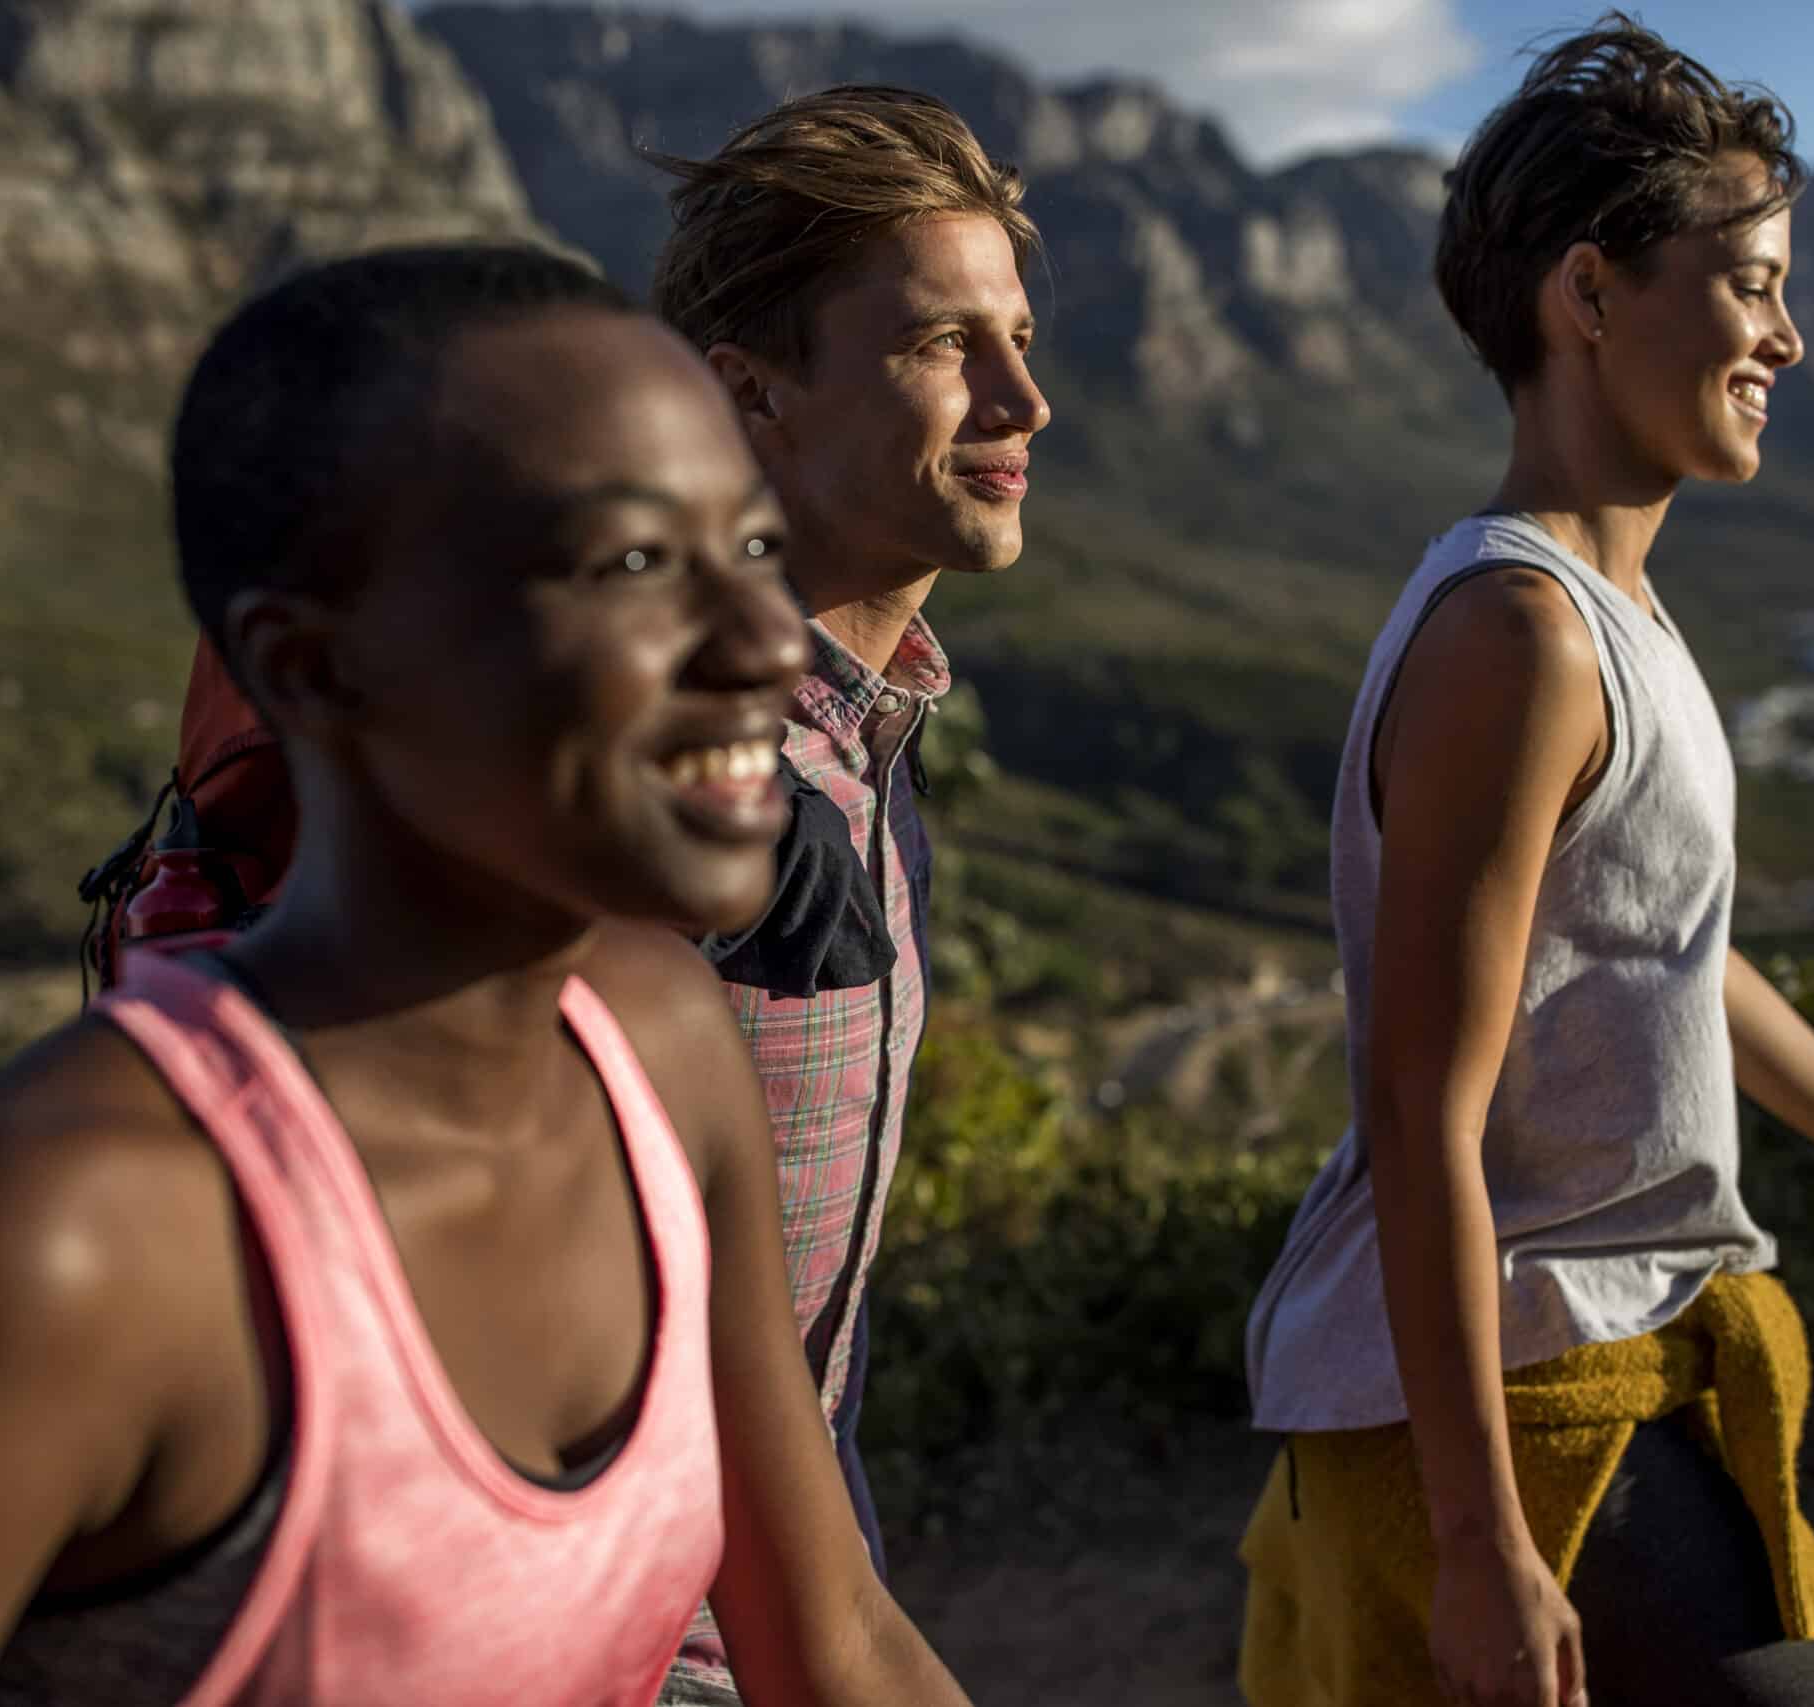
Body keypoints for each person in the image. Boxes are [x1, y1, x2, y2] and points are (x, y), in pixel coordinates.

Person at [0, 244, 975, 1707]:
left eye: (750, 551)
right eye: (631, 566)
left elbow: (834, 1639)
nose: (754, 646)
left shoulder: (660, 1052)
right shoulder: (38, 1260)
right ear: (313, 668)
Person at [1236, 20, 1814, 1707]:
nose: (1789, 333)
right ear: (1589, 293)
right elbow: (1421, 1106)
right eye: (1751, 280)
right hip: (1534, 1408)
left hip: (1618, 1371)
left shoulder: (1611, 613)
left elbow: (1656, 948)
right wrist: (1484, 1543)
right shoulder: (1520, 634)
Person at [644, 85, 1052, 1706]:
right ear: (751, 397)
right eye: (947, 347)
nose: (1026, 397)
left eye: (1018, 334)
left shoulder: (857, 753)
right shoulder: (675, 785)